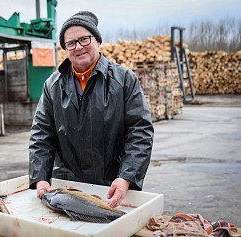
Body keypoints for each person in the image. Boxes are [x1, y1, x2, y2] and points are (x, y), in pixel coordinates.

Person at [28, 11, 154, 208]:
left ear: (97, 40)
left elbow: (140, 131)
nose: (78, 47)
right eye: (71, 43)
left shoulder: (124, 80)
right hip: (69, 188)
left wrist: (126, 176)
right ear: (66, 49)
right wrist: (40, 177)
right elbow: (42, 135)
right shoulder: (53, 85)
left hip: (114, 187)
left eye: (84, 39)